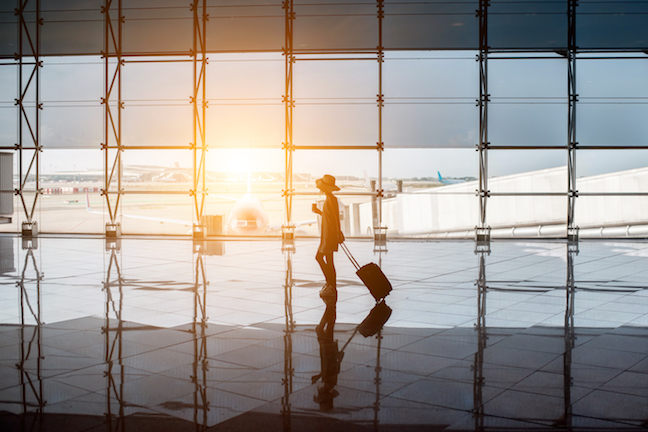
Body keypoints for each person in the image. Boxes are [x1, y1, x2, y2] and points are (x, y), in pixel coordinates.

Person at [312, 174, 345, 303]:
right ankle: (331, 285)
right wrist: (318, 212)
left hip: (329, 234)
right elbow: (329, 216)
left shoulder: (331, 199)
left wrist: (337, 233)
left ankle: (330, 284)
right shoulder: (329, 199)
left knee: (320, 258)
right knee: (328, 260)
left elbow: (335, 218)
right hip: (327, 233)